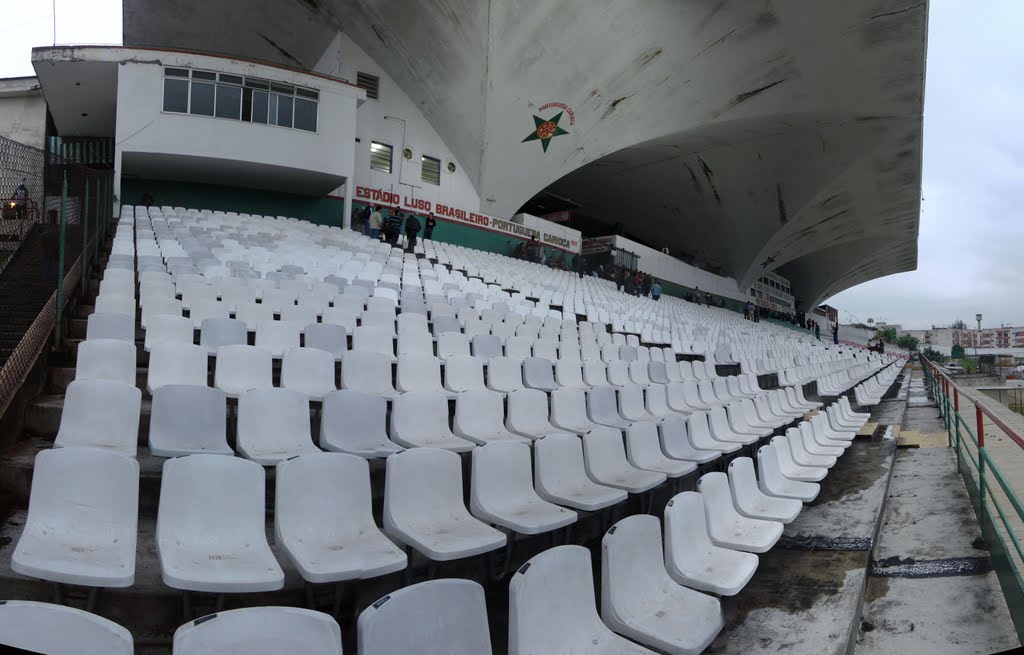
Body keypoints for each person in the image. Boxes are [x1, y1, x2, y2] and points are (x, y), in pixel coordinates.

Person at [41, 209, 59, 282]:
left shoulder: (44, 236)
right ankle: (52, 278)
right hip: (53, 251)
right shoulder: (54, 235)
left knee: (47, 265)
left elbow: (42, 244)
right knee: (53, 265)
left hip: (46, 251)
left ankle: (46, 278)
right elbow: (57, 244)